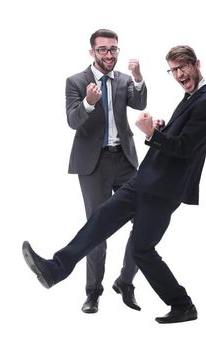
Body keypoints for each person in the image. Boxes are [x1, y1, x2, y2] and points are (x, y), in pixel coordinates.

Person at [22, 45, 206, 324]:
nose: (179, 74)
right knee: (101, 219)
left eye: (183, 67)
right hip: (146, 180)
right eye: (174, 69)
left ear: (197, 64)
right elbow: (181, 136)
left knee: (142, 249)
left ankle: (182, 304)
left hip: (163, 190)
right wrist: (162, 128)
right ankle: (56, 269)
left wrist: (152, 134)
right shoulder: (192, 97)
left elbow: (186, 148)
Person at [64, 29, 145, 313]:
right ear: (92, 53)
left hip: (125, 161)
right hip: (93, 164)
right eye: (103, 50)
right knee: (97, 229)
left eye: (113, 50)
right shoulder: (76, 82)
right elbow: (73, 121)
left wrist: (137, 77)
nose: (109, 55)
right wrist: (88, 102)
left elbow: (140, 103)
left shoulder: (123, 80)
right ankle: (93, 292)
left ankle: (126, 281)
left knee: (145, 221)